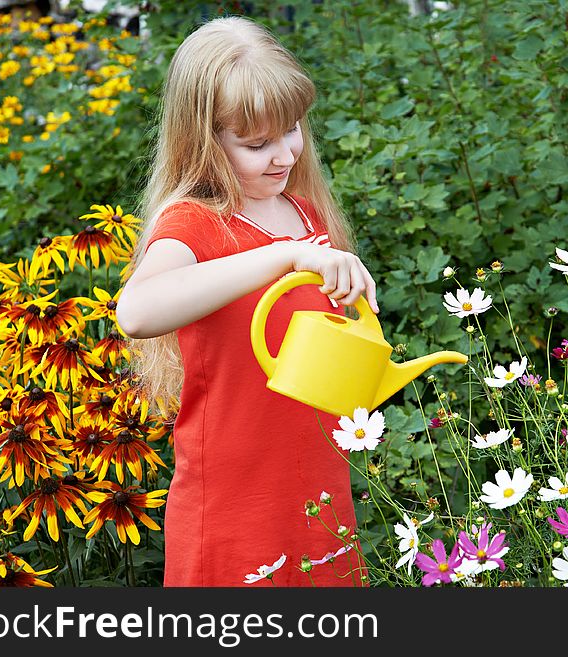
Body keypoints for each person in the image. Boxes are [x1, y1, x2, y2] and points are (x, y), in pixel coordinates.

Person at [116, 16, 378, 587]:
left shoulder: (305, 214)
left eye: (292, 130)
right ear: (203, 142)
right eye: (257, 144)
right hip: (235, 501)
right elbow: (137, 312)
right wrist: (285, 257)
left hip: (316, 488)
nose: (284, 154)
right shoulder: (193, 225)